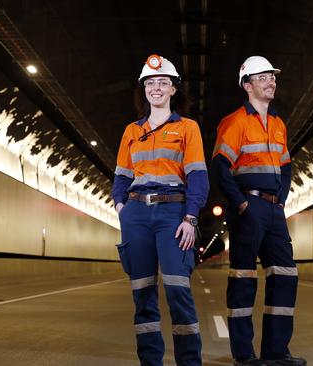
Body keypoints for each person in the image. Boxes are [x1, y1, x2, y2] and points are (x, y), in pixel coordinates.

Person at [112, 54, 209, 366]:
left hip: (172, 213)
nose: (156, 88)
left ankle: (189, 362)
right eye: (150, 83)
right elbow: (121, 177)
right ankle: (150, 362)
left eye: (162, 83)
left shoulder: (187, 128)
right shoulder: (131, 130)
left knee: (178, 291)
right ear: (145, 89)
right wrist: (121, 208)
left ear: (173, 89)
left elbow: (197, 175)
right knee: (142, 295)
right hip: (136, 214)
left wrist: (191, 218)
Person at [211, 56, 306, 366]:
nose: (271, 81)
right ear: (247, 85)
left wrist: (280, 199)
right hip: (248, 208)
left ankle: (276, 351)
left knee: (285, 275)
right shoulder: (235, 121)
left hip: (273, 209)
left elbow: (287, 166)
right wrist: (240, 202)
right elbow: (220, 166)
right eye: (263, 77)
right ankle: (244, 354)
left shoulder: (278, 124)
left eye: (273, 77)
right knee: (244, 276)